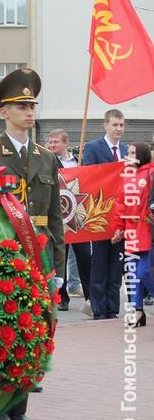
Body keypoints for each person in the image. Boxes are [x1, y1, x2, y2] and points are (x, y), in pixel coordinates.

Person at [0, 68, 65, 420]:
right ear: (3, 112)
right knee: (2, 334)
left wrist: (56, 264)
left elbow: (54, 214)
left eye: (31, 105)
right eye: (21, 106)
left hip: (38, 254)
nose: (29, 112)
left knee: (33, 334)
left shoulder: (45, 157)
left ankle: (20, 408)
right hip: (3, 255)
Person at [82, 110, 127, 320]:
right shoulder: (93, 148)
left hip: (120, 217)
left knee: (116, 265)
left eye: (121, 125)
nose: (119, 129)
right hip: (100, 215)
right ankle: (99, 309)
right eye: (115, 125)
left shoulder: (126, 149)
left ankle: (112, 308)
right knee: (99, 264)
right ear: (105, 125)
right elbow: (89, 177)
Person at [45, 129, 92, 312]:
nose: (52, 145)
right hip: (59, 217)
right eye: (50, 142)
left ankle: (90, 296)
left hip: (77, 218)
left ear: (65, 143)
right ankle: (61, 297)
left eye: (56, 142)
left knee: (85, 257)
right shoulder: (47, 161)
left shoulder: (78, 161)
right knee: (60, 258)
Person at [112, 143, 153, 328]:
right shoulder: (127, 177)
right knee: (133, 274)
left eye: (132, 153)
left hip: (148, 230)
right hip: (132, 230)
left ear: (141, 155)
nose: (127, 156)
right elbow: (120, 204)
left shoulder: (151, 173)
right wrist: (119, 228)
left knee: (144, 272)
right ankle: (138, 311)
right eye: (128, 152)